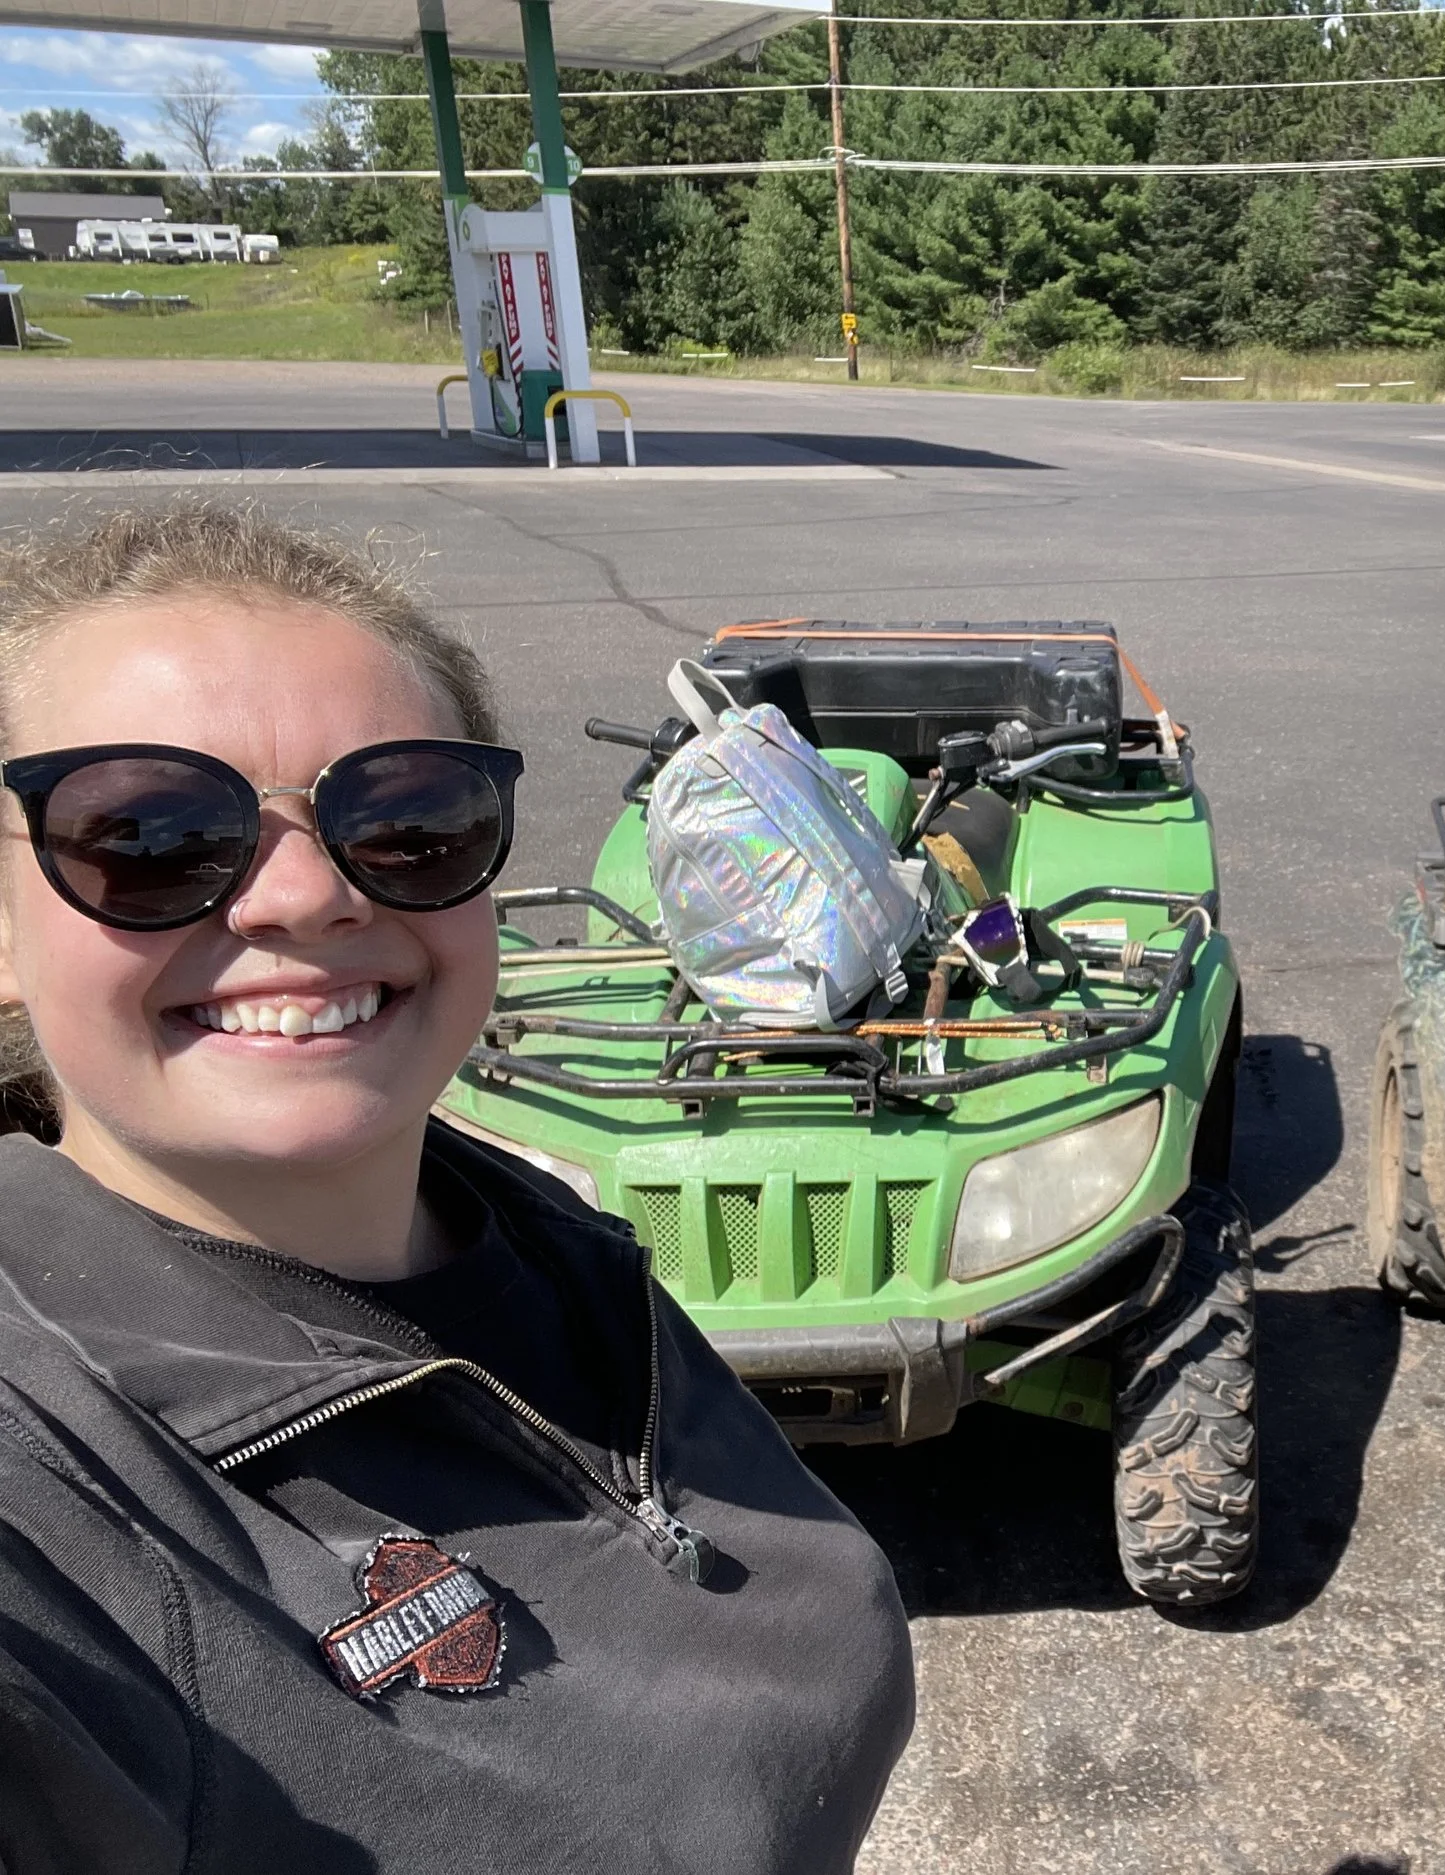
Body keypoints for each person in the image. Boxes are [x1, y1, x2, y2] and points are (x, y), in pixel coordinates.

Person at [0, 505, 912, 1871]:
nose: (303, 894)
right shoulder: (48, 1504)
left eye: (405, 816)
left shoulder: (546, 1250)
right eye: (149, 833)